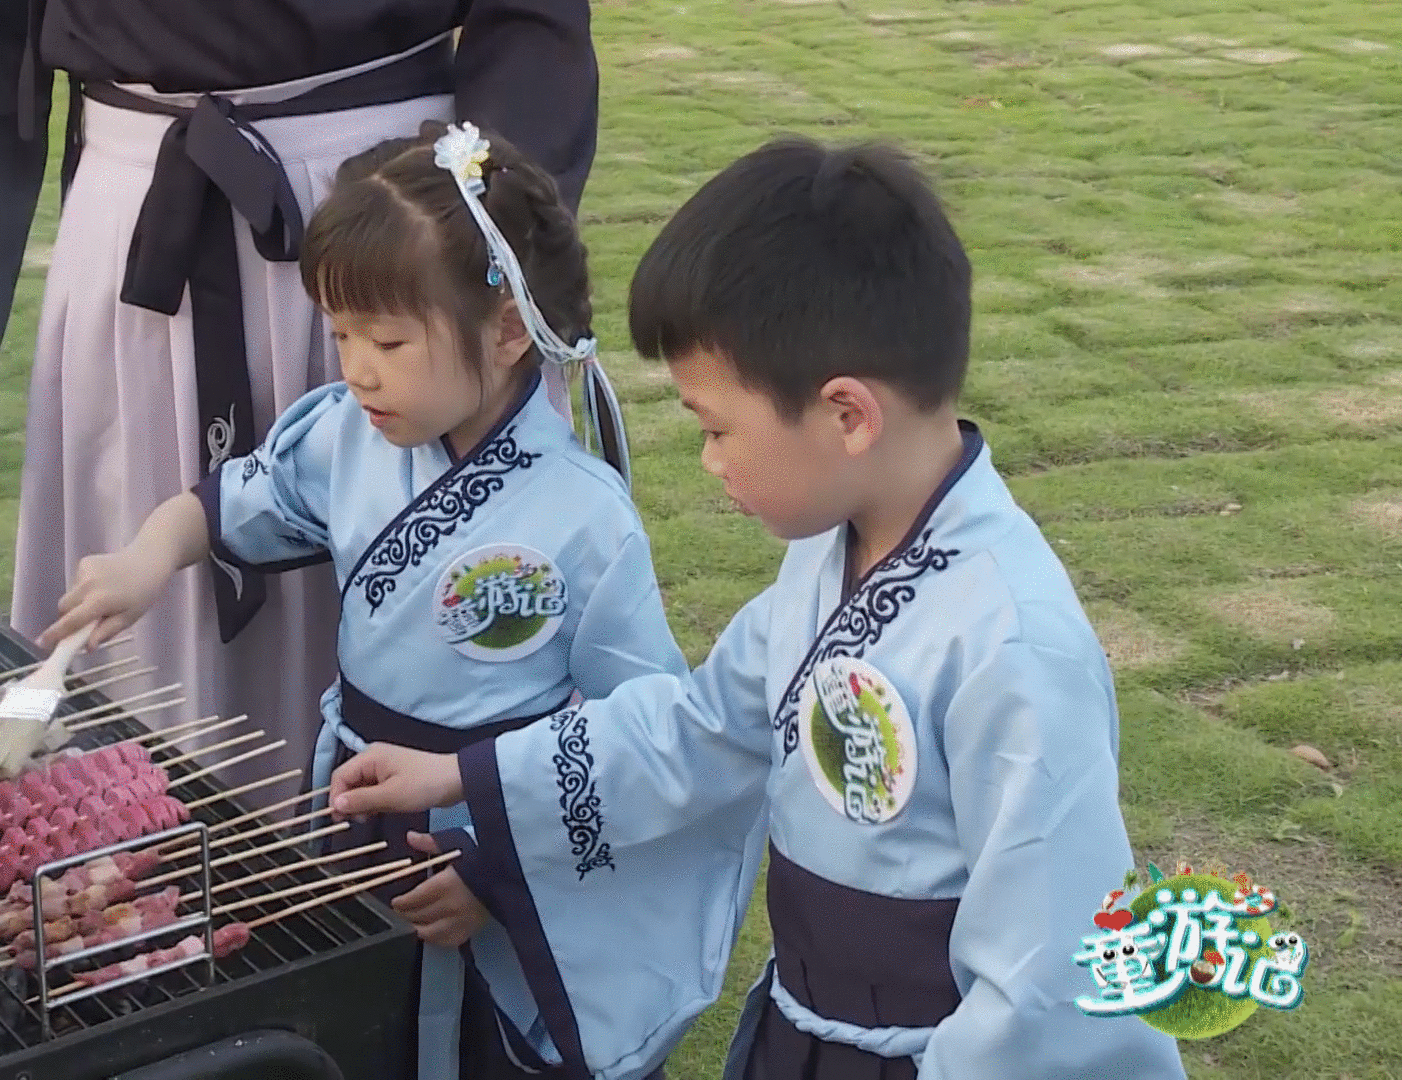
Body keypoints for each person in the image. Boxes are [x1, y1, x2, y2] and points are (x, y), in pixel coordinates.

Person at [326, 137, 1192, 1080]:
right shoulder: (831, 558)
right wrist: (466, 775)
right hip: (806, 1030)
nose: (708, 463)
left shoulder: (1013, 647)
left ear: (847, 415)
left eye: (716, 429)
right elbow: (698, 731)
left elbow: (1050, 989)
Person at [37, 121, 686, 1079]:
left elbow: (641, 731)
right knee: (357, 1024)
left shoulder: (584, 519)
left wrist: (501, 878)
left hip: (492, 826)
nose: (356, 368)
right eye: (341, 334)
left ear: (510, 330)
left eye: (388, 339)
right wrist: (145, 558)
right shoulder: (347, 436)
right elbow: (230, 503)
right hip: (354, 802)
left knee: (476, 1044)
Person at [0, 1, 601, 796]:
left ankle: (430, 853)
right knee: (146, 643)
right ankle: (144, 866)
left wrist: (490, 238)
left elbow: (530, 18)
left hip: (396, 220)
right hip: (138, 208)